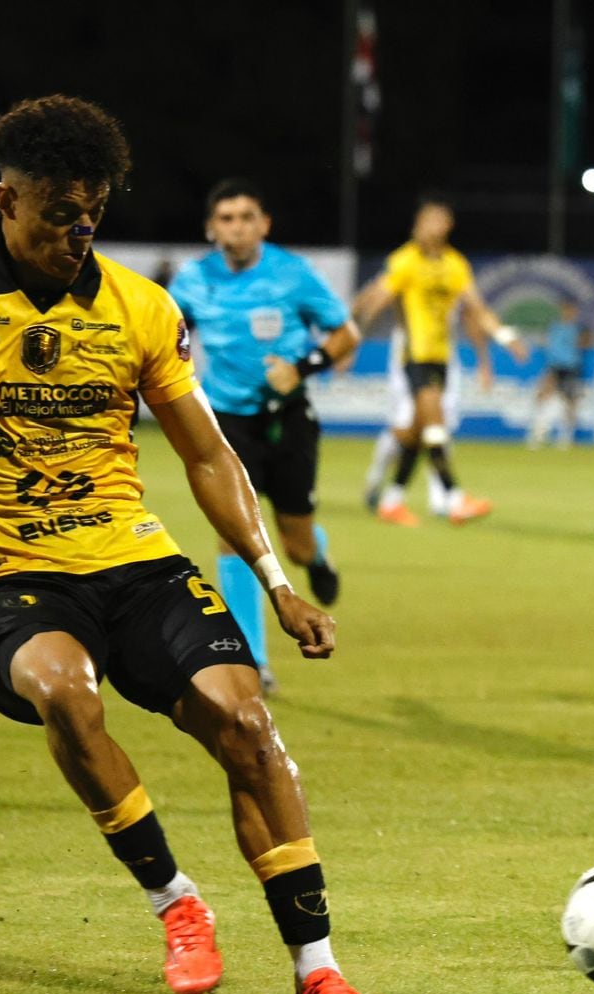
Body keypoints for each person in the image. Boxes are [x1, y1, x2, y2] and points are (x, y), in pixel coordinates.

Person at [0, 95, 390, 994]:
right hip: (13, 574)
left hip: (135, 565)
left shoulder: (139, 307)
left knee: (247, 726)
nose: (78, 232)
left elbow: (208, 454)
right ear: (6, 198)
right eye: (59, 212)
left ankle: (317, 968)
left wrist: (277, 585)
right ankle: (177, 902)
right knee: (64, 689)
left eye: (92, 213)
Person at [168, 180, 360, 697]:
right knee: (232, 533)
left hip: (289, 418)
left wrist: (302, 368)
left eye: (246, 216)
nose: (236, 226)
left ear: (264, 224)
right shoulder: (193, 279)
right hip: (226, 421)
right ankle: (253, 658)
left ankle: (315, 554)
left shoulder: (292, 274)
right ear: (212, 228)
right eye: (226, 218)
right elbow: (166, 335)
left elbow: (346, 336)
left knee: (293, 541)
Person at [353, 194, 527, 527]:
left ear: (447, 226)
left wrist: (505, 337)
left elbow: (477, 309)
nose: (428, 227)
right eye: (424, 221)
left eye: (436, 220)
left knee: (417, 432)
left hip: (442, 358)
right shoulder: (406, 261)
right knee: (435, 424)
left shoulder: (455, 265)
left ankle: (392, 499)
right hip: (413, 355)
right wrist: (351, 340)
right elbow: (378, 298)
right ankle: (453, 497)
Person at [526, 296, 592, 449]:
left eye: (570, 310)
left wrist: (580, 342)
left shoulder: (579, 328)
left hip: (571, 367)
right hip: (554, 366)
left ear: (574, 312)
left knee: (570, 402)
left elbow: (587, 342)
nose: (567, 312)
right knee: (542, 396)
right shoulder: (554, 326)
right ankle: (538, 433)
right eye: (565, 309)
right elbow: (545, 341)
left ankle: (565, 438)